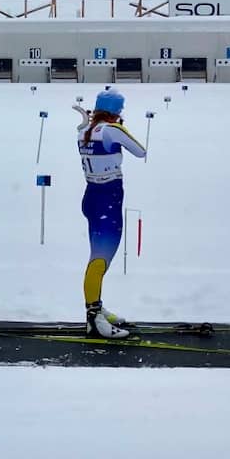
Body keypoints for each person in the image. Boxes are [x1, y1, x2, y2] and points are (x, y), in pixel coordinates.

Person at [75, 89, 146, 338]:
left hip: (92, 196)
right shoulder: (111, 130)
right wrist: (121, 130)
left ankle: (97, 306)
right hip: (108, 199)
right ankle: (93, 317)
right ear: (116, 112)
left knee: (98, 258)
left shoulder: (84, 130)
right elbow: (140, 151)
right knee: (100, 259)